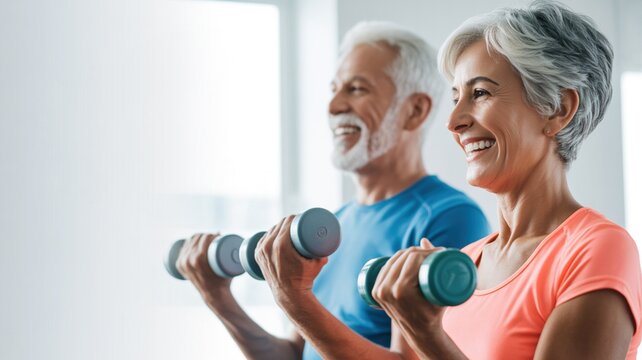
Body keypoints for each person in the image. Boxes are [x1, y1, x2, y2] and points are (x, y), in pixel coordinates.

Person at [177, 21, 490, 360]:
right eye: (334, 90)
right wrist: (219, 299)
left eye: (356, 89)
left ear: (414, 110)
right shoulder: (336, 224)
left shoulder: (451, 218)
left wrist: (295, 299)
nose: (334, 106)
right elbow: (297, 354)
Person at [370, 2, 642, 359]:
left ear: (558, 109)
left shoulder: (596, 249)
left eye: (480, 93)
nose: (453, 121)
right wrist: (405, 327)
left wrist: (426, 332)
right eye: (455, 98)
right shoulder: (464, 262)